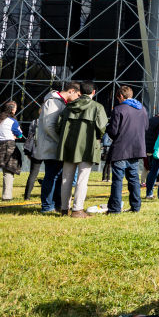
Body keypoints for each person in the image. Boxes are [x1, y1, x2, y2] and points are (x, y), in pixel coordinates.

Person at [56, 81, 108, 218]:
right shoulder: (97, 107)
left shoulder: (68, 107)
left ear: (80, 92)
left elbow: (58, 126)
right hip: (87, 147)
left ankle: (63, 209)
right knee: (82, 180)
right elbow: (102, 127)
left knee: (66, 179)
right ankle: (77, 210)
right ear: (93, 92)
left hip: (68, 147)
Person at [33, 82, 81, 214]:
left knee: (59, 176)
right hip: (51, 146)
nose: (78, 98)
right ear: (71, 91)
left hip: (56, 147)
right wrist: (61, 141)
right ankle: (48, 206)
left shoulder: (60, 102)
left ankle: (58, 204)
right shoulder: (53, 102)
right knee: (52, 176)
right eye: (77, 94)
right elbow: (49, 126)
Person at [105, 85, 148, 214]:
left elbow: (113, 131)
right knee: (133, 178)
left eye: (118, 98)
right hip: (136, 149)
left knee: (118, 180)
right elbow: (146, 127)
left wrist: (107, 129)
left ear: (121, 96)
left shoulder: (119, 109)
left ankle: (115, 209)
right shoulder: (142, 109)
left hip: (121, 148)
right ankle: (136, 207)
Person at [22, 118, 40, 200]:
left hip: (35, 149)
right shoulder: (52, 120)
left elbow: (30, 134)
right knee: (50, 175)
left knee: (33, 174)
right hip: (49, 149)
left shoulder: (34, 121)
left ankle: (27, 196)